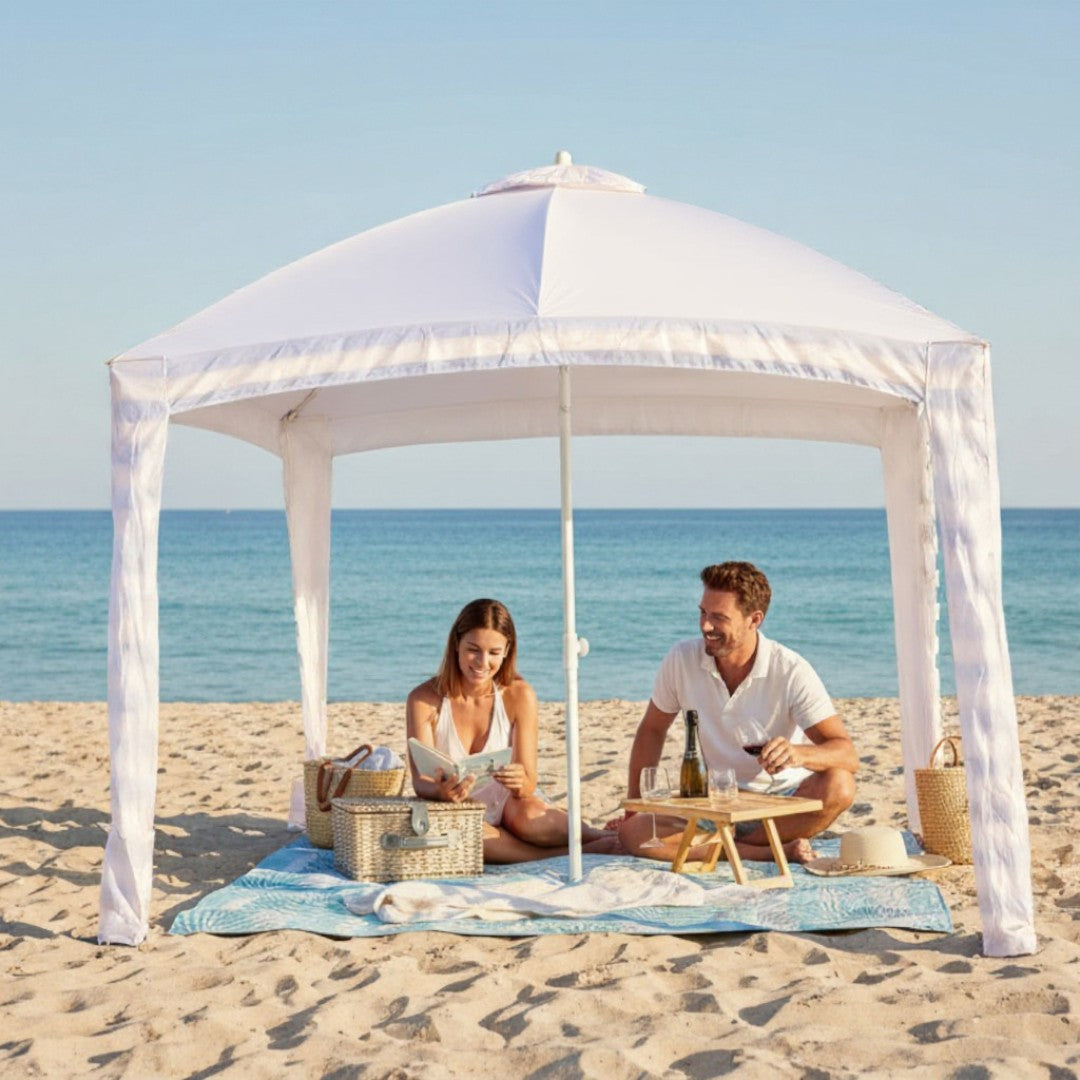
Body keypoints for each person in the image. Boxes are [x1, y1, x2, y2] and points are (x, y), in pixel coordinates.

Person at [618, 562, 857, 864]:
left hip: (782, 805)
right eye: (703, 612)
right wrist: (634, 809)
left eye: (718, 617)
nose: (705, 626)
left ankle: (731, 848)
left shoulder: (791, 670)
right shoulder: (682, 659)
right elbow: (652, 730)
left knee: (840, 785)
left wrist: (798, 754)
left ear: (754, 619)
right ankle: (763, 852)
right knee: (635, 832)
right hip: (715, 804)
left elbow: (847, 754)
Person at [406, 598, 620, 863]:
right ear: (456, 644)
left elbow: (528, 783)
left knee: (531, 818)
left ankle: (598, 835)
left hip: (509, 803)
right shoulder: (423, 700)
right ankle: (572, 852)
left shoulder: (519, 694)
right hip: (457, 808)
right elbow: (420, 782)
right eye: (473, 650)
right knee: (468, 832)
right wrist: (441, 792)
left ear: (507, 650)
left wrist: (520, 781)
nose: (483, 662)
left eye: (494, 652)